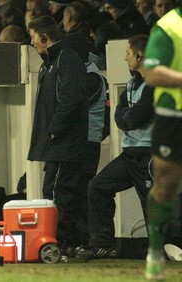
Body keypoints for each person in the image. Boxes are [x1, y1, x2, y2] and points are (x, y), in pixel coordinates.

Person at [76, 34, 155, 260]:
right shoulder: (132, 84)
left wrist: (127, 117)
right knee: (98, 187)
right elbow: (120, 117)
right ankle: (101, 244)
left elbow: (133, 118)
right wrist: (127, 117)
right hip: (130, 154)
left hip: (149, 155)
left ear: (140, 56)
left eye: (128, 54)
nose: (125, 58)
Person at [27, 15, 88, 255]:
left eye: (32, 37)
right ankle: (67, 243)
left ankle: (57, 244)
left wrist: (54, 131)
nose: (31, 43)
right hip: (57, 143)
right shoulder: (49, 62)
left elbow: (70, 100)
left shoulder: (67, 59)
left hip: (64, 143)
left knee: (57, 194)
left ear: (44, 37)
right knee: (56, 191)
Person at [143, 4, 182, 280]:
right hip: (174, 116)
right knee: (166, 185)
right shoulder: (169, 27)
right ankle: (156, 252)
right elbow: (152, 73)